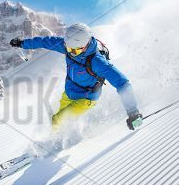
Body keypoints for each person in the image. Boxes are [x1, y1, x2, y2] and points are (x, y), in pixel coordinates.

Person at [10, 23, 143, 130]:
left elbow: (122, 83)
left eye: (76, 50)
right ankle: (54, 138)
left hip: (86, 99)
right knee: (56, 121)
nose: (72, 53)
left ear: (85, 46)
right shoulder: (69, 46)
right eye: (69, 49)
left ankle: (56, 144)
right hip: (68, 93)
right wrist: (23, 43)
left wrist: (133, 112)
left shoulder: (97, 61)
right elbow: (46, 42)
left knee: (58, 118)